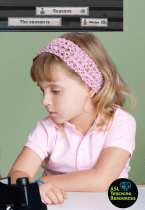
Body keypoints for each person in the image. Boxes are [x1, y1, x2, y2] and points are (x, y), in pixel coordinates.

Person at [8, 33, 136, 205]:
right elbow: (18, 171)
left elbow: (101, 180)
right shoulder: (47, 128)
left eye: (55, 90)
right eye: (42, 90)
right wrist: (24, 183)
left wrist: (38, 184)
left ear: (90, 85)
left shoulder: (120, 123)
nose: (44, 101)